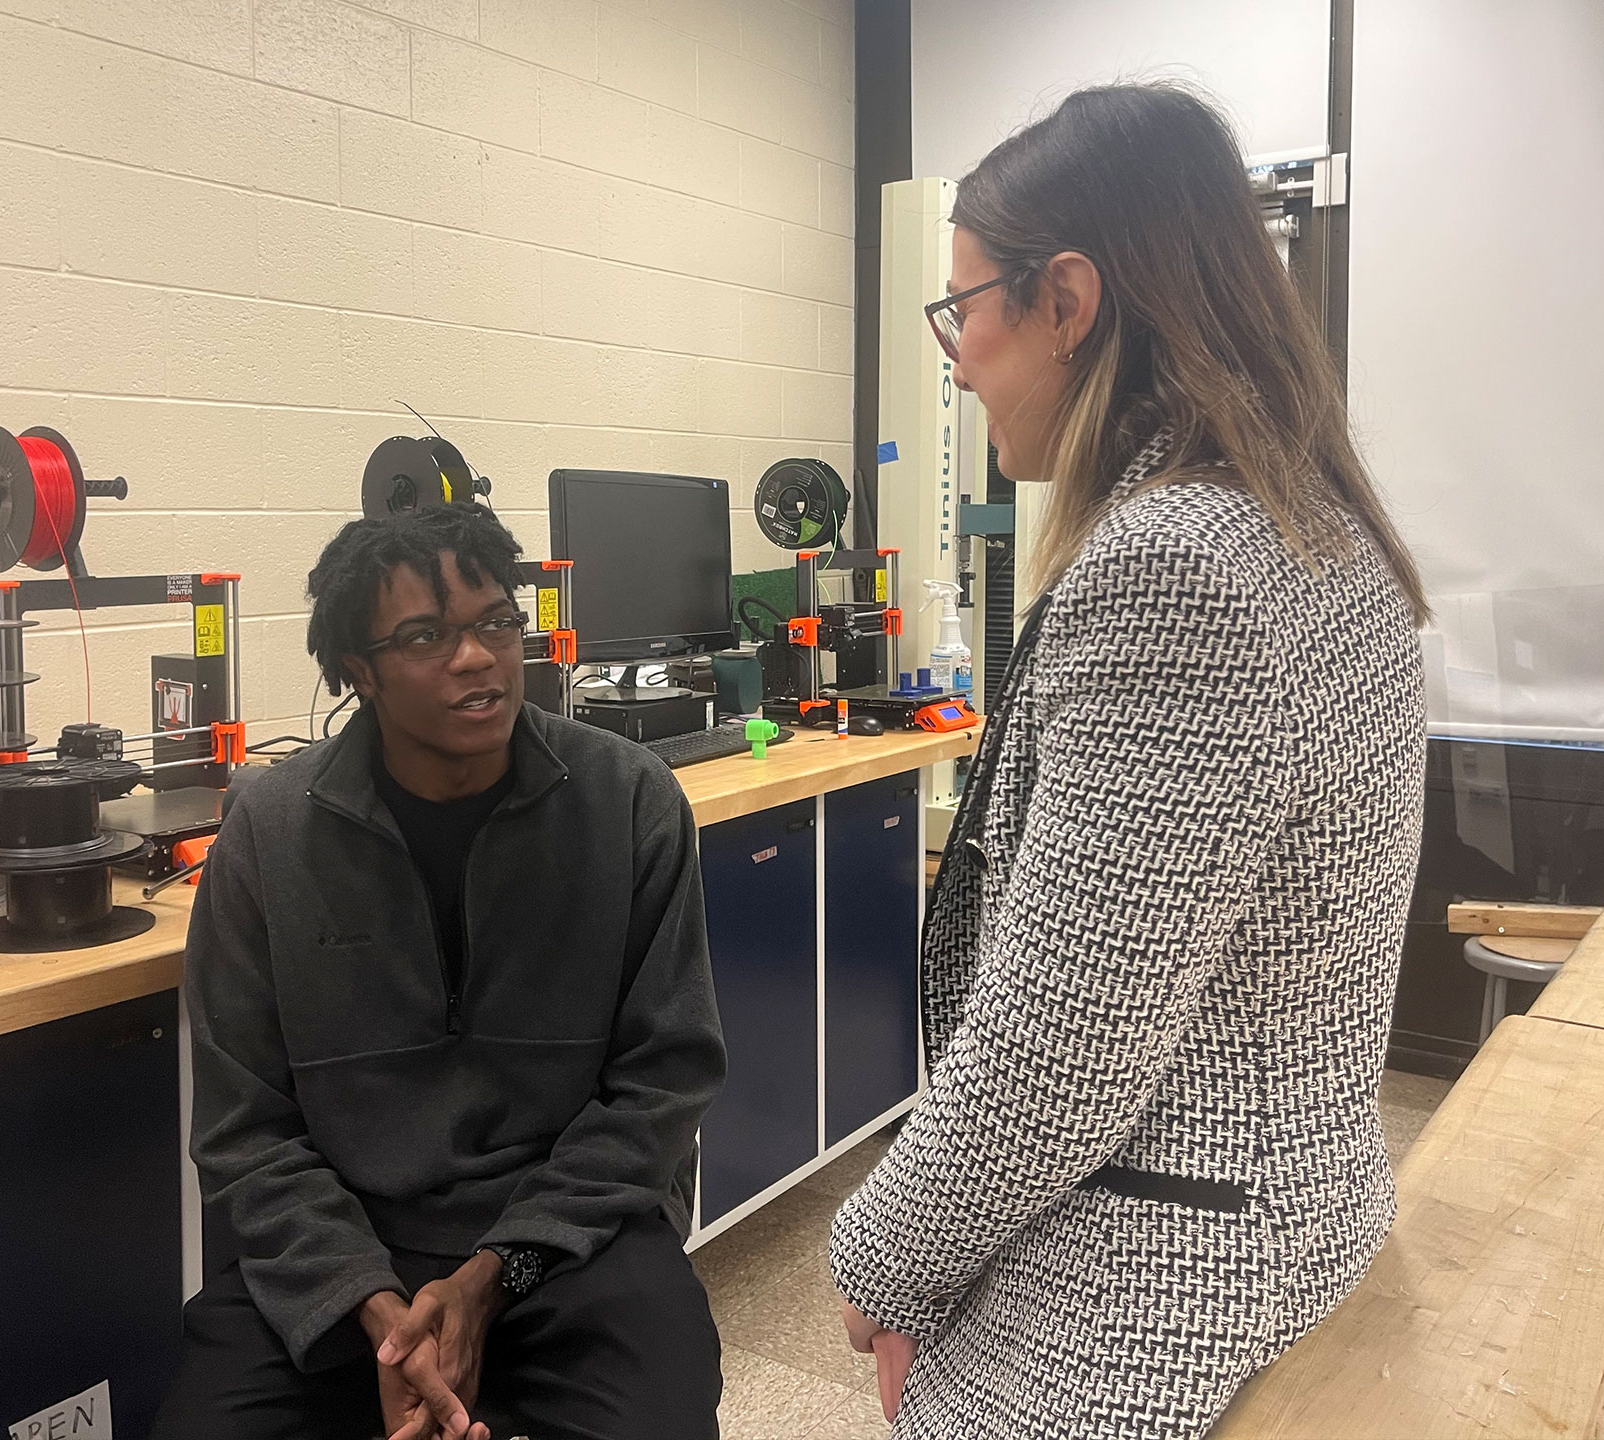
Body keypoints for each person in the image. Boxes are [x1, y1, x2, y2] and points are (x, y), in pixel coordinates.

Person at [828, 83, 1431, 1438]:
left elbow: (1059, 1053)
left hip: (1164, 1282)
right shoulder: (1315, 524)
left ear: (1068, 303)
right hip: (1289, 1221)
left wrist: (880, 1259)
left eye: (964, 307)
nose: (954, 353)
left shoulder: (1176, 568)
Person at [152, 505, 727, 1440]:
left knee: (658, 1414)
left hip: (564, 1243)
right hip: (344, 1250)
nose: (477, 659)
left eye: (497, 622)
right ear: (356, 671)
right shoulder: (270, 836)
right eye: (425, 635)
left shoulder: (629, 803)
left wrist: (495, 1276)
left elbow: (664, 1083)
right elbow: (242, 1128)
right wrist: (375, 1313)